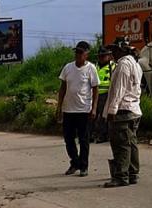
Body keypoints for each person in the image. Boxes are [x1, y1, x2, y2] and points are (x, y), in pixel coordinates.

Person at [103, 38, 143, 188]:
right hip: (133, 109)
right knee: (131, 143)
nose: (112, 53)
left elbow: (119, 90)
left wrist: (111, 111)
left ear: (120, 50)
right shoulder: (135, 64)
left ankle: (121, 176)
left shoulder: (123, 65)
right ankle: (133, 173)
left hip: (123, 110)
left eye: (114, 50)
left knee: (121, 145)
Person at [56, 41, 99, 177]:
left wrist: (94, 108)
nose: (78, 55)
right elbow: (63, 88)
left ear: (86, 54)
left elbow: (95, 89)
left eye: (81, 53)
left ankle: (84, 166)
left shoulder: (91, 68)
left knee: (84, 139)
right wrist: (59, 106)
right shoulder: (68, 68)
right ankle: (75, 162)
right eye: (76, 52)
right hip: (68, 109)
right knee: (68, 138)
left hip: (83, 110)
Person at [93, 46, 115, 143]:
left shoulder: (113, 66)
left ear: (108, 56)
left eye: (103, 56)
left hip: (106, 94)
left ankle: (103, 135)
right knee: (92, 115)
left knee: (103, 116)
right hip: (94, 94)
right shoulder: (94, 66)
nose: (101, 58)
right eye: (100, 56)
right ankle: (91, 135)